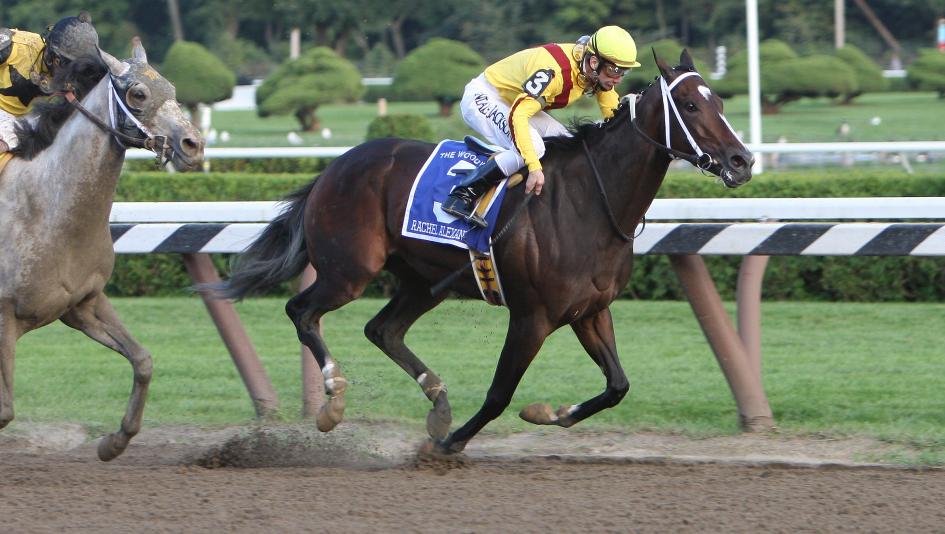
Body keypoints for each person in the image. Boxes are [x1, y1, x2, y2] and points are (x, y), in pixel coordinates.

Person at [442, 25, 641, 228]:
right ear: (594, 62)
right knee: (533, 149)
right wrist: (534, 167)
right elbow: (518, 115)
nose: (618, 78)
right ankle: (462, 195)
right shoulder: (554, 72)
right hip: (484, 96)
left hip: (513, 101)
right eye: (614, 70)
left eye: (624, 72)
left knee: (568, 142)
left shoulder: (594, 70)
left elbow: (612, 114)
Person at [0, 12, 100, 154]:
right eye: (71, 68)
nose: (72, 78)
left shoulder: (80, 78)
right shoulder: (11, 47)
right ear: (54, 58)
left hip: (24, 121)